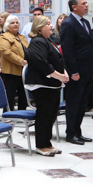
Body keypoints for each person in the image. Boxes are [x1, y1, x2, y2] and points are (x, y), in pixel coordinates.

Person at [25, 15, 68, 157]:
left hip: (52, 84)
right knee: (44, 115)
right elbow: (42, 63)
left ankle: (47, 143)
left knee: (51, 115)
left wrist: (64, 72)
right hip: (42, 84)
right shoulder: (37, 41)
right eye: (48, 24)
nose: (51, 26)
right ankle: (40, 145)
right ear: (39, 27)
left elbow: (58, 60)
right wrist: (59, 75)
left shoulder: (48, 40)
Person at [60, 0, 93, 145]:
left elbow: (89, 46)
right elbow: (68, 50)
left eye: (86, 3)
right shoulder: (68, 23)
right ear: (74, 7)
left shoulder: (86, 22)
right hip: (76, 71)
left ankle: (78, 131)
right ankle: (71, 133)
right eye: (83, 3)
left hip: (87, 69)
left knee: (83, 103)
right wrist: (73, 71)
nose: (87, 6)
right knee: (74, 102)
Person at [0, 15, 29, 110]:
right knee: (10, 94)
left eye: (17, 22)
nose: (15, 24)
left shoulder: (22, 37)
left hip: (23, 71)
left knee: (23, 93)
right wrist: (21, 61)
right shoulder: (4, 36)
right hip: (10, 71)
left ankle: (22, 114)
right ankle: (7, 114)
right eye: (12, 23)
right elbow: (6, 52)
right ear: (7, 25)